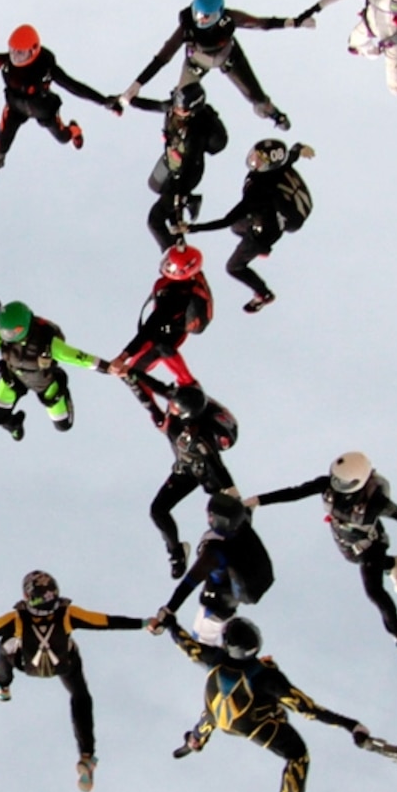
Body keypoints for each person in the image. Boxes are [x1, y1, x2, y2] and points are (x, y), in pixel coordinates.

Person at [154, 614, 366, 792]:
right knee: (297, 756)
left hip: (217, 716)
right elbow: (307, 709)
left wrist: (170, 623)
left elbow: (187, 645)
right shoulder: (267, 677)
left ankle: (197, 738)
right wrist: (351, 725)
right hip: (249, 724)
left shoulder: (214, 656)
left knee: (212, 716)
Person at [0, 570, 147, 791]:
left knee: (5, 644)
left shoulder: (18, 618)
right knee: (80, 696)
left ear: (27, 596)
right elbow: (106, 621)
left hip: (29, 666)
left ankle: (2, 685)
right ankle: (86, 755)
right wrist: (145, 623)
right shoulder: (67, 613)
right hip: (64, 664)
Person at [251, 451, 397, 659]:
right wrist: (257, 501)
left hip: (371, 546)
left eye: (342, 483)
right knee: (353, 559)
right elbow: (295, 493)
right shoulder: (328, 484)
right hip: (347, 544)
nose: (337, 486)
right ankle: (393, 564)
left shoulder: (376, 501)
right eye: (336, 480)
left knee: (374, 591)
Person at [0, 24, 119, 185]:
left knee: (63, 138)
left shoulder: (46, 68)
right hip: (15, 107)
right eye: (12, 51)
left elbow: (74, 87)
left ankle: (74, 130)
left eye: (20, 53)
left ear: (33, 51)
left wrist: (104, 101)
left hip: (43, 108)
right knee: (0, 143)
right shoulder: (6, 62)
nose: (15, 57)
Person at [118, 0, 303, 130]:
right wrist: (136, 85)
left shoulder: (229, 19)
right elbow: (163, 57)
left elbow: (261, 24)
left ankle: (271, 112)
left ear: (219, 13)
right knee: (181, 102)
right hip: (197, 62)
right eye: (198, 14)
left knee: (256, 96)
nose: (201, 21)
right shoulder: (187, 27)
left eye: (207, 17)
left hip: (229, 57)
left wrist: (292, 22)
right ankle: (177, 132)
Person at [131, 373, 241, 579]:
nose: (170, 409)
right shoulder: (184, 400)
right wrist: (131, 374)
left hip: (203, 466)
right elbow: (158, 389)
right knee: (158, 510)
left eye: (174, 409)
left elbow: (215, 464)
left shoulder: (202, 436)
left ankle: (234, 545)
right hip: (186, 467)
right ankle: (176, 553)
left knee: (225, 507)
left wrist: (230, 490)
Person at [186, 140, 316, 312]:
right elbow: (291, 155)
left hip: (264, 232)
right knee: (237, 227)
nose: (254, 160)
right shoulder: (278, 168)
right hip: (265, 219)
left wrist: (191, 228)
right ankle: (262, 247)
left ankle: (264, 294)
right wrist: (300, 148)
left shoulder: (258, 192)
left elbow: (225, 221)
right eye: (255, 155)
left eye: (260, 159)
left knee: (234, 267)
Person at [0, 300, 98, 439]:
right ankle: (14, 425)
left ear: (19, 329)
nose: (4, 335)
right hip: (15, 379)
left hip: (45, 384)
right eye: (2, 331)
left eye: (8, 332)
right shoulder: (1, 337)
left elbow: (81, 358)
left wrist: (109, 367)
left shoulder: (48, 342)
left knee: (63, 425)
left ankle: (62, 389)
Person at [157, 489, 278, 643]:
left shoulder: (215, 553)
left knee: (201, 644)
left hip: (215, 610)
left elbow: (189, 583)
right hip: (230, 594)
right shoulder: (240, 524)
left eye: (210, 514)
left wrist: (169, 609)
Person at [109, 243, 215, 389]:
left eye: (170, 265)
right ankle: (186, 383)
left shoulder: (172, 295)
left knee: (137, 370)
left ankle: (187, 384)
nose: (166, 265)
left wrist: (123, 356)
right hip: (176, 319)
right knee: (138, 366)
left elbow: (151, 326)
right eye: (167, 261)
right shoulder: (184, 279)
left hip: (174, 325)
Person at [143, 78, 232, 247]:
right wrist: (125, 99)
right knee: (154, 185)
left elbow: (190, 162)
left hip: (187, 173)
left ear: (191, 112)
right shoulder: (172, 109)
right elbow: (152, 105)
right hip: (171, 162)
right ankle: (190, 201)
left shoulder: (195, 132)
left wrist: (180, 193)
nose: (176, 111)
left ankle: (173, 255)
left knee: (156, 220)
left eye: (181, 110)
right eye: (175, 107)